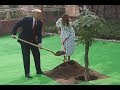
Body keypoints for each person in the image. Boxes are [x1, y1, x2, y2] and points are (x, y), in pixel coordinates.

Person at [11, 9, 43, 78]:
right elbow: (16, 24)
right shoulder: (26, 20)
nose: (40, 15)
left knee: (37, 55)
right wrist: (13, 34)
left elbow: (39, 34)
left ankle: (38, 70)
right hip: (24, 41)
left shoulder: (40, 23)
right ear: (33, 14)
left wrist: (40, 42)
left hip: (33, 41)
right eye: (38, 13)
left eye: (40, 14)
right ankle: (27, 73)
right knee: (26, 57)